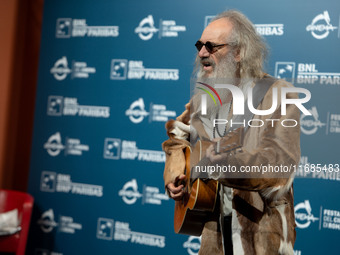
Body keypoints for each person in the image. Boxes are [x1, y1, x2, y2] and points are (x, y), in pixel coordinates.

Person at [162, 10, 300, 255]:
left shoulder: (277, 94)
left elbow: (278, 166)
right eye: (199, 45)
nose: (202, 52)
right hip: (213, 235)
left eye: (211, 46)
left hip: (260, 237)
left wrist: (227, 163)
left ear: (239, 52)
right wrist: (175, 174)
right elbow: (177, 138)